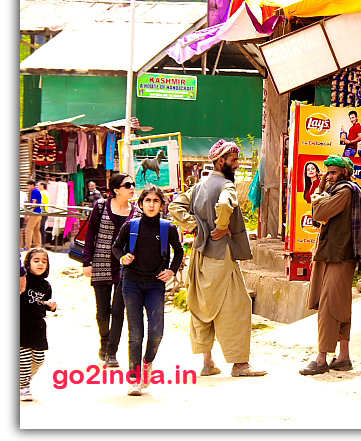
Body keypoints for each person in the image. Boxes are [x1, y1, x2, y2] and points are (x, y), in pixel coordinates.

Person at [169, 140, 266, 378]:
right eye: (233, 160)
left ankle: (208, 362)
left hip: (201, 255)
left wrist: (195, 227)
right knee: (236, 307)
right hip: (222, 256)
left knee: (203, 306)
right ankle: (240, 364)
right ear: (220, 161)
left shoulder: (199, 187)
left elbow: (174, 205)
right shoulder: (226, 186)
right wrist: (221, 226)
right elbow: (224, 204)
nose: (236, 164)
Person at [299, 155, 361, 376]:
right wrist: (322, 187)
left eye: (332, 173)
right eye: (327, 172)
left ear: (344, 173)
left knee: (329, 305)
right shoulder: (342, 190)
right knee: (339, 305)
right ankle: (343, 357)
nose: (328, 176)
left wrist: (320, 189)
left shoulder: (345, 191)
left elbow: (319, 213)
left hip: (339, 255)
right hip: (334, 254)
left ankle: (321, 358)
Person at [112, 185, 184, 396]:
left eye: (156, 201)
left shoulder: (167, 228)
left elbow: (178, 251)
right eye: (148, 201)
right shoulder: (130, 226)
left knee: (156, 332)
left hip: (155, 285)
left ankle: (148, 362)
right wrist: (122, 258)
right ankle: (134, 379)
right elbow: (116, 247)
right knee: (135, 334)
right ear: (140, 204)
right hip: (131, 283)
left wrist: (171, 271)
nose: (151, 205)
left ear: (162, 205)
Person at [83, 173, 140, 367]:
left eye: (133, 184)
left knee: (118, 309)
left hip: (125, 266)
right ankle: (104, 340)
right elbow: (91, 234)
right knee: (102, 310)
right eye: (127, 185)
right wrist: (87, 262)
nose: (132, 188)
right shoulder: (101, 205)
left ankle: (111, 351)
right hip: (101, 261)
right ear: (116, 189)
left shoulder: (137, 212)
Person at [20, 248, 57, 402]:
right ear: (28, 265)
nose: (41, 264)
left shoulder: (46, 285)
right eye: (36, 261)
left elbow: (43, 304)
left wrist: (51, 306)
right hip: (21, 324)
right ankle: (24, 387)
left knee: (39, 359)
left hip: (38, 326)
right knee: (25, 358)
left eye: (44, 261)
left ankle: (22, 380)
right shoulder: (23, 280)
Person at [24, 180, 43, 250]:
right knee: (36, 230)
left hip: (35, 213)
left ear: (32, 185)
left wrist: (29, 213)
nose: (28, 187)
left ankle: (27, 246)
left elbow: (34, 203)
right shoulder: (37, 191)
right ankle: (38, 246)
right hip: (39, 213)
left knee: (28, 229)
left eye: (28, 185)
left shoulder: (34, 191)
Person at [38, 181, 50, 246]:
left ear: (42, 186)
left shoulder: (43, 193)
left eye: (39, 185)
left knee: (40, 228)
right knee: (42, 228)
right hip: (44, 212)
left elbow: (43, 203)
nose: (38, 187)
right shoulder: (46, 193)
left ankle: (41, 243)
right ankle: (42, 243)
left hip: (43, 212)